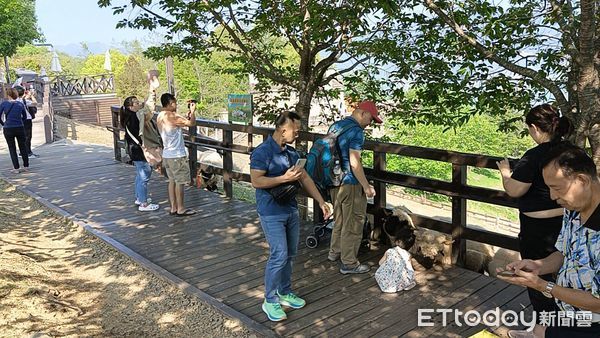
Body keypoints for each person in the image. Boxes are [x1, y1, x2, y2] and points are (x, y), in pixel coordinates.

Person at [498, 142, 600, 338]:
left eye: (557, 188)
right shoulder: (574, 210)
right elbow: (564, 253)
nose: (553, 196)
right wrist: (538, 266)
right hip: (567, 313)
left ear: (582, 180)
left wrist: (544, 286)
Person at [250, 111, 331, 322]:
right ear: (282, 129)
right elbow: (256, 181)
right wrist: (282, 178)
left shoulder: (292, 153)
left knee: (290, 254)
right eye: (295, 130)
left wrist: (321, 201)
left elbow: (305, 178)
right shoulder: (262, 152)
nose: (297, 134)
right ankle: (269, 300)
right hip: (270, 211)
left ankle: (284, 292)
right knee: (279, 254)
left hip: (290, 209)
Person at [496, 104, 573, 324]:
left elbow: (515, 190)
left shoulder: (534, 156)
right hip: (569, 222)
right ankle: (561, 326)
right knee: (566, 276)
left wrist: (505, 174)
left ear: (535, 128)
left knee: (537, 279)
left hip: (537, 230)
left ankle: (544, 329)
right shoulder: (571, 151)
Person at [327, 100, 383, 274]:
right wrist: (366, 186)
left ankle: (334, 252)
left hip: (334, 181)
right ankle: (349, 263)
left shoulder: (336, 126)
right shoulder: (357, 132)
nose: (370, 123)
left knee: (340, 219)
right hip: (350, 183)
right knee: (353, 222)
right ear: (362, 113)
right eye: (371, 119)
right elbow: (354, 162)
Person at [157, 93, 196, 216]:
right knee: (180, 181)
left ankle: (173, 207)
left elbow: (180, 123)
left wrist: (187, 116)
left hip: (167, 154)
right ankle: (181, 208)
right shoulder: (172, 116)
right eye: (175, 102)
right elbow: (191, 124)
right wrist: (193, 112)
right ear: (169, 103)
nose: (176, 105)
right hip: (177, 155)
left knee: (171, 181)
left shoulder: (160, 115)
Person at [120, 93, 160, 212]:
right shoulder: (135, 117)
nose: (139, 104)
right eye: (136, 103)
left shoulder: (128, 117)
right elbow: (147, 111)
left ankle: (139, 198)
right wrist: (152, 93)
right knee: (144, 176)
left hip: (133, 149)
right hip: (139, 150)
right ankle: (143, 204)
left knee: (139, 175)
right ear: (130, 107)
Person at [375, 223, 416, 293]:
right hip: (397, 285)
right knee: (410, 274)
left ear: (398, 241)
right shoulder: (408, 255)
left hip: (383, 283)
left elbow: (380, 263)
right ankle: (407, 285)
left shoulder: (390, 251)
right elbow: (410, 269)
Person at [0, 88, 29, 173]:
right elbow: (25, 116)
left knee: (12, 148)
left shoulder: (4, 104)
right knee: (23, 147)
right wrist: (20, 122)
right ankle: (26, 166)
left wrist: (3, 124)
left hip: (8, 128)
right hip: (19, 127)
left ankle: (16, 168)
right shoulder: (20, 104)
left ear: (8, 94)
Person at [14, 86, 38, 158]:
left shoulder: (12, 101)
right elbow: (35, 103)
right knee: (28, 136)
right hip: (26, 120)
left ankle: (22, 152)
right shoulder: (24, 101)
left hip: (17, 120)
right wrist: (31, 96)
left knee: (21, 137)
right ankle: (28, 152)